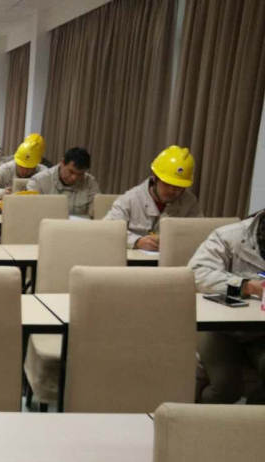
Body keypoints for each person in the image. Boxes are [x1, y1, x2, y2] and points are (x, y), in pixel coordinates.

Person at [189, 212, 265, 405]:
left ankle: (253, 420)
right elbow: (198, 274)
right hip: (222, 329)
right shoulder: (229, 236)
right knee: (225, 388)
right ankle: (198, 418)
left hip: (261, 332)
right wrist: (246, 286)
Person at [104, 146, 202, 250]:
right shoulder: (130, 199)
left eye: (178, 187)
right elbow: (107, 229)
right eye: (167, 184)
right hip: (134, 259)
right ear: (155, 178)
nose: (172, 191)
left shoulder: (189, 202)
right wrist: (136, 241)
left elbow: (200, 232)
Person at [27, 147, 99, 217]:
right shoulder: (39, 181)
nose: (74, 178)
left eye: (80, 174)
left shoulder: (90, 183)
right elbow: (32, 213)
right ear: (62, 163)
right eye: (71, 172)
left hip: (79, 225)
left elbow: (96, 214)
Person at [0, 134, 47, 200]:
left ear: (36, 164)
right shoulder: (2, 170)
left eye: (29, 168)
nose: (24, 171)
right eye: (21, 166)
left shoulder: (44, 173)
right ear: (16, 161)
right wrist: (3, 192)